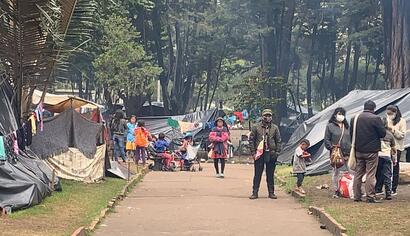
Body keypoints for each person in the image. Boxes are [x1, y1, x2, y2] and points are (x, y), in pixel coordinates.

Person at [350, 100, 386, 203]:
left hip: (358, 150)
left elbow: (352, 134)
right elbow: (383, 134)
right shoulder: (375, 118)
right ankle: (370, 196)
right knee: (370, 173)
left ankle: (357, 195)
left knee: (358, 173)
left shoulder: (355, 118)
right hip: (371, 151)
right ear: (373, 108)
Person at [249, 109, 282, 200]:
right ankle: (255, 192)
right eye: (266, 115)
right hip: (259, 154)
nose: (267, 117)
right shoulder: (256, 127)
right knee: (257, 174)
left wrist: (277, 152)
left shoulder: (275, 128)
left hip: (271, 153)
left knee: (270, 174)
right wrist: (253, 152)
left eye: (269, 116)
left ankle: (271, 192)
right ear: (262, 116)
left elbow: (278, 140)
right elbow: (251, 140)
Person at [324, 107, 352, 198]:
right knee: (336, 171)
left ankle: (351, 189)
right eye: (339, 114)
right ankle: (336, 190)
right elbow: (326, 139)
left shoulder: (347, 127)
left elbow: (351, 138)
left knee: (351, 171)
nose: (341, 116)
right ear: (335, 115)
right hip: (336, 152)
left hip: (348, 152)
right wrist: (331, 148)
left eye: (342, 114)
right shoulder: (330, 126)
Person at [386, 105, 407, 196]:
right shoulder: (386, 120)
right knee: (385, 167)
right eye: (388, 113)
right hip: (386, 147)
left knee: (395, 166)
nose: (389, 115)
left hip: (397, 147)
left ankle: (393, 188)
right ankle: (386, 187)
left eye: (391, 113)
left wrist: (393, 130)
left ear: (395, 112)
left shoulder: (402, 121)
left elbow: (402, 135)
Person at [375, 119, 397, 200]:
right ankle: (388, 193)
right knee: (387, 175)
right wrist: (394, 159)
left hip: (376, 156)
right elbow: (394, 149)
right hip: (387, 156)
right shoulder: (390, 135)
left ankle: (375, 190)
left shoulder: (375, 133)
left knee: (375, 174)